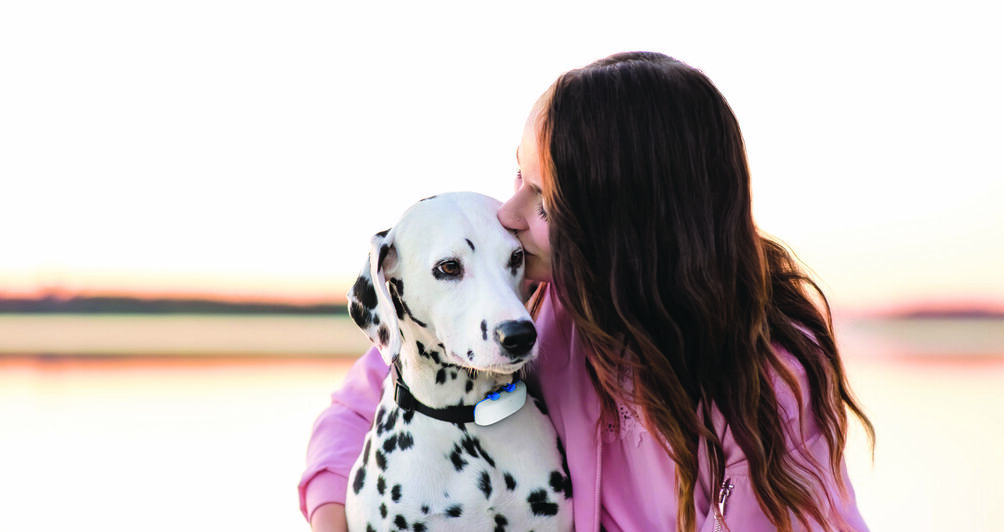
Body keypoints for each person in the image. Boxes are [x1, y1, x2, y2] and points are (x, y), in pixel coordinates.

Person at [299, 51, 874, 532]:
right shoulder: (529, 305)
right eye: (517, 177)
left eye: (543, 201)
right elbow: (359, 406)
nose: (509, 213)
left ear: (625, 230)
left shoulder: (770, 375)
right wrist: (336, 518)